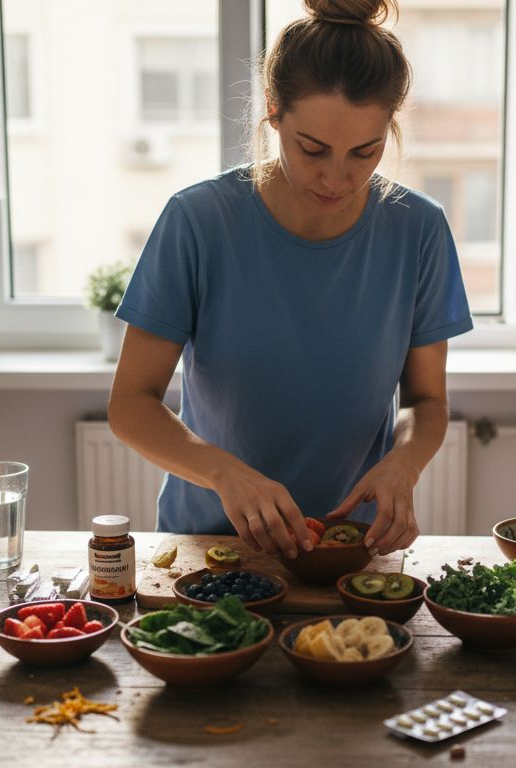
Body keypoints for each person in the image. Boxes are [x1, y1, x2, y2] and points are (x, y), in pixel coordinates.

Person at [108, 0, 472, 561]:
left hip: (352, 547)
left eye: (365, 152)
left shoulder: (419, 229)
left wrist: (404, 463)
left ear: (390, 129)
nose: (337, 177)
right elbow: (131, 404)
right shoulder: (198, 221)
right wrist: (225, 474)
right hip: (209, 543)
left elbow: (426, 401)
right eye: (313, 149)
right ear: (273, 112)